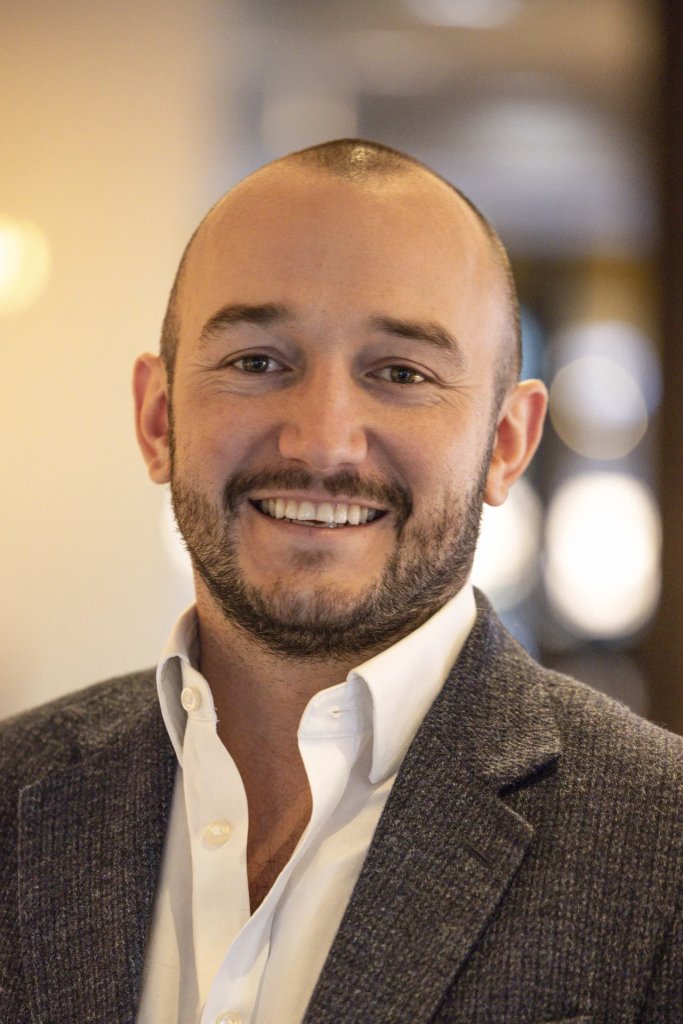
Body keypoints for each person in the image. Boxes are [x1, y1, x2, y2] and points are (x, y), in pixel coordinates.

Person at [1, 139, 682, 1024]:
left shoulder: (661, 847)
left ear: (506, 444)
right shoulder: (15, 793)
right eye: (256, 362)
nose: (321, 441)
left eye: (400, 374)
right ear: (158, 417)